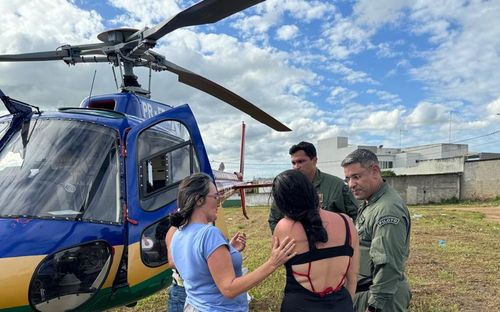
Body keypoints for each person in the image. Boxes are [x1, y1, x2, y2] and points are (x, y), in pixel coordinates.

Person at [170, 172, 297, 312]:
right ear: (199, 200)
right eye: (215, 196)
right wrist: (273, 263)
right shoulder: (209, 234)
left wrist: (226, 250)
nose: (219, 201)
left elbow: (198, 266)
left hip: (193, 306)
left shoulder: (178, 233)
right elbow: (229, 289)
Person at [272, 169, 359, 312]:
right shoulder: (346, 222)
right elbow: (352, 276)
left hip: (299, 306)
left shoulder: (284, 227)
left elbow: (275, 260)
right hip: (341, 304)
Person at [341, 149, 411, 312]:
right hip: (368, 290)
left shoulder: (387, 210)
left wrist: (374, 307)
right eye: (348, 179)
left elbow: (389, 264)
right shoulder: (371, 202)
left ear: (375, 171)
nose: (351, 184)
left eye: (356, 177)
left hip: (381, 297)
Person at [268, 141, 358, 233]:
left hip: (330, 242)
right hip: (297, 243)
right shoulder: (287, 187)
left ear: (314, 160)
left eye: (300, 161)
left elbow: (357, 216)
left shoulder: (336, 186)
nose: (296, 167)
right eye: (293, 163)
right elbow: (274, 220)